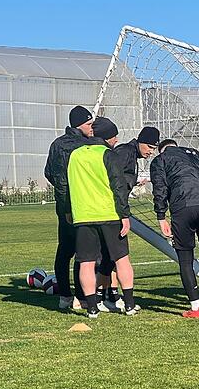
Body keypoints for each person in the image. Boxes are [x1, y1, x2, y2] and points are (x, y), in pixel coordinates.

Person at [67, 117, 137, 318]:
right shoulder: (108, 154)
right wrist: (125, 215)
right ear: (107, 137)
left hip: (83, 216)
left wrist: (68, 211)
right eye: (114, 136)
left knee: (86, 262)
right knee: (122, 259)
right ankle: (129, 304)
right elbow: (119, 186)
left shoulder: (75, 155)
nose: (116, 140)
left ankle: (91, 307)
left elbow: (67, 185)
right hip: (109, 214)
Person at [151, 138, 199, 317]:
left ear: (161, 150)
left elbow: (160, 188)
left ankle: (196, 308)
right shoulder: (196, 155)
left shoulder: (160, 160)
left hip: (183, 208)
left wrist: (161, 216)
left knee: (185, 259)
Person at [96, 126, 160, 312]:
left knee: (109, 258)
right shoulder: (125, 152)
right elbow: (114, 179)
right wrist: (123, 212)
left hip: (112, 210)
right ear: (140, 141)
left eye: (154, 148)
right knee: (117, 257)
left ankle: (109, 297)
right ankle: (106, 299)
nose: (151, 152)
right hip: (112, 212)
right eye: (149, 147)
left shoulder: (131, 154)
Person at [44, 105, 93, 310]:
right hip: (80, 206)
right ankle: (81, 296)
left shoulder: (56, 144)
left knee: (64, 251)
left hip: (63, 206)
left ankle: (64, 295)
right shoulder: (85, 145)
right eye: (89, 124)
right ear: (79, 125)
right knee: (83, 253)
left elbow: (48, 172)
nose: (92, 128)